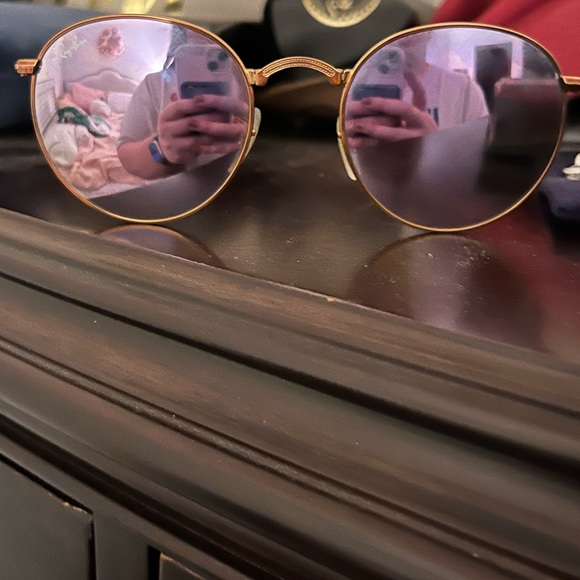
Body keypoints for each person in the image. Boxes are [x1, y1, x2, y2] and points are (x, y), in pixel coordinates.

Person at [117, 26, 249, 181]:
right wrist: (162, 150)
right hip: (195, 191)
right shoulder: (155, 82)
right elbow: (128, 157)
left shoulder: (251, 66)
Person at [345, 31, 489, 147]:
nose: (402, 38)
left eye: (412, 26)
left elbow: (479, 164)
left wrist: (428, 149)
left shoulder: (463, 89)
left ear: (429, 32)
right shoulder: (349, 83)